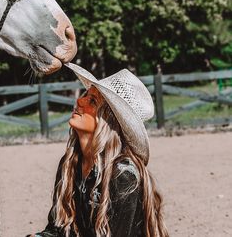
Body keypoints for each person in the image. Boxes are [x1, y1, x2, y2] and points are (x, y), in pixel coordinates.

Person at [27, 64, 169, 237]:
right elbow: (58, 228)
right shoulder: (69, 163)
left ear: (108, 120)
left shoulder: (123, 175)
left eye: (92, 101)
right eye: (86, 95)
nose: (80, 101)